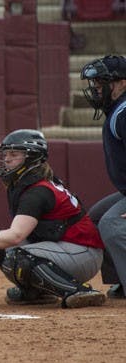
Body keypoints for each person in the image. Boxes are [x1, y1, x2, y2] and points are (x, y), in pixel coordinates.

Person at [0, 129, 106, 308]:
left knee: (18, 255)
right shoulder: (29, 183)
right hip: (66, 248)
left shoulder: (38, 190)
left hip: (84, 253)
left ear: (32, 157)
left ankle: (78, 290)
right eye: (6, 154)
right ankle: (35, 292)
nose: (7, 159)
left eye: (14, 154)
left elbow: (16, 236)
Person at [81, 55, 126, 299]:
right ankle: (120, 279)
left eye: (102, 83)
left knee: (112, 224)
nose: (97, 89)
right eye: (95, 84)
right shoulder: (117, 110)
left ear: (122, 83)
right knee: (96, 220)